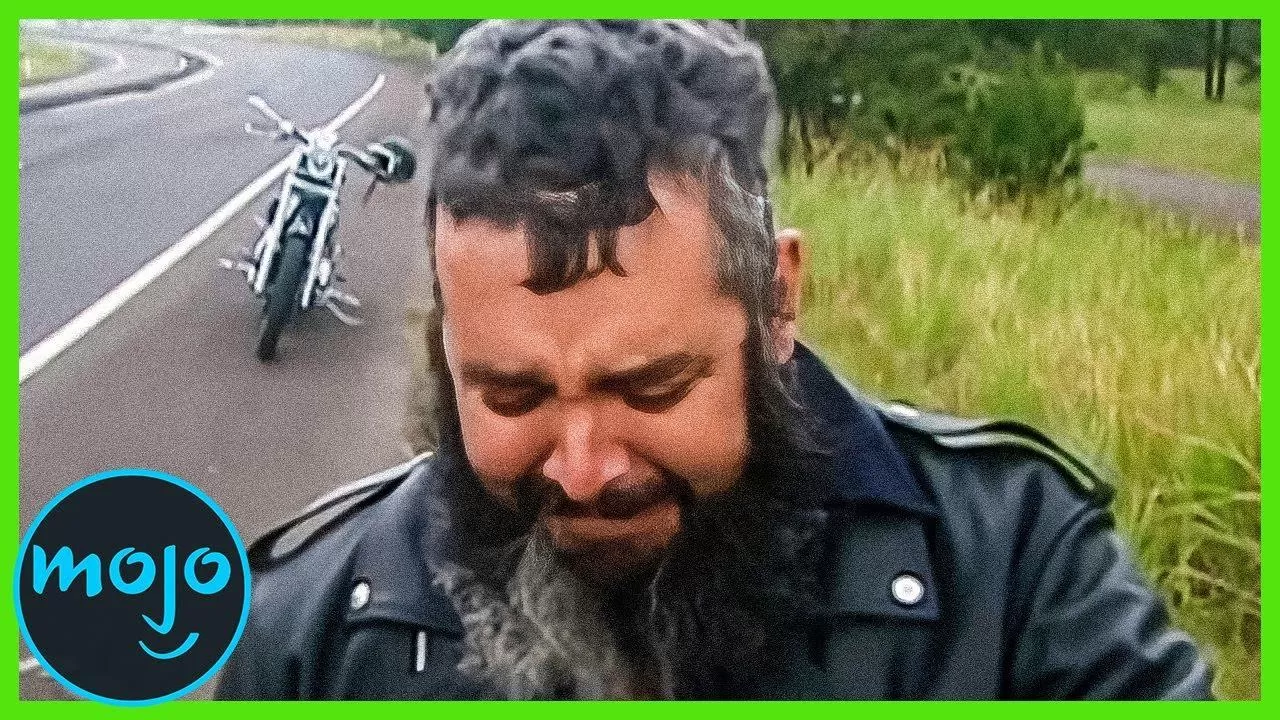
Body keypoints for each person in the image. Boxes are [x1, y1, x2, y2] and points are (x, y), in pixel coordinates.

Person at [215, 20, 1212, 700]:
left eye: (650, 386)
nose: (582, 469)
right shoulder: (311, 635)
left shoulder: (1016, 570)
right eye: (511, 394)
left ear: (776, 303)